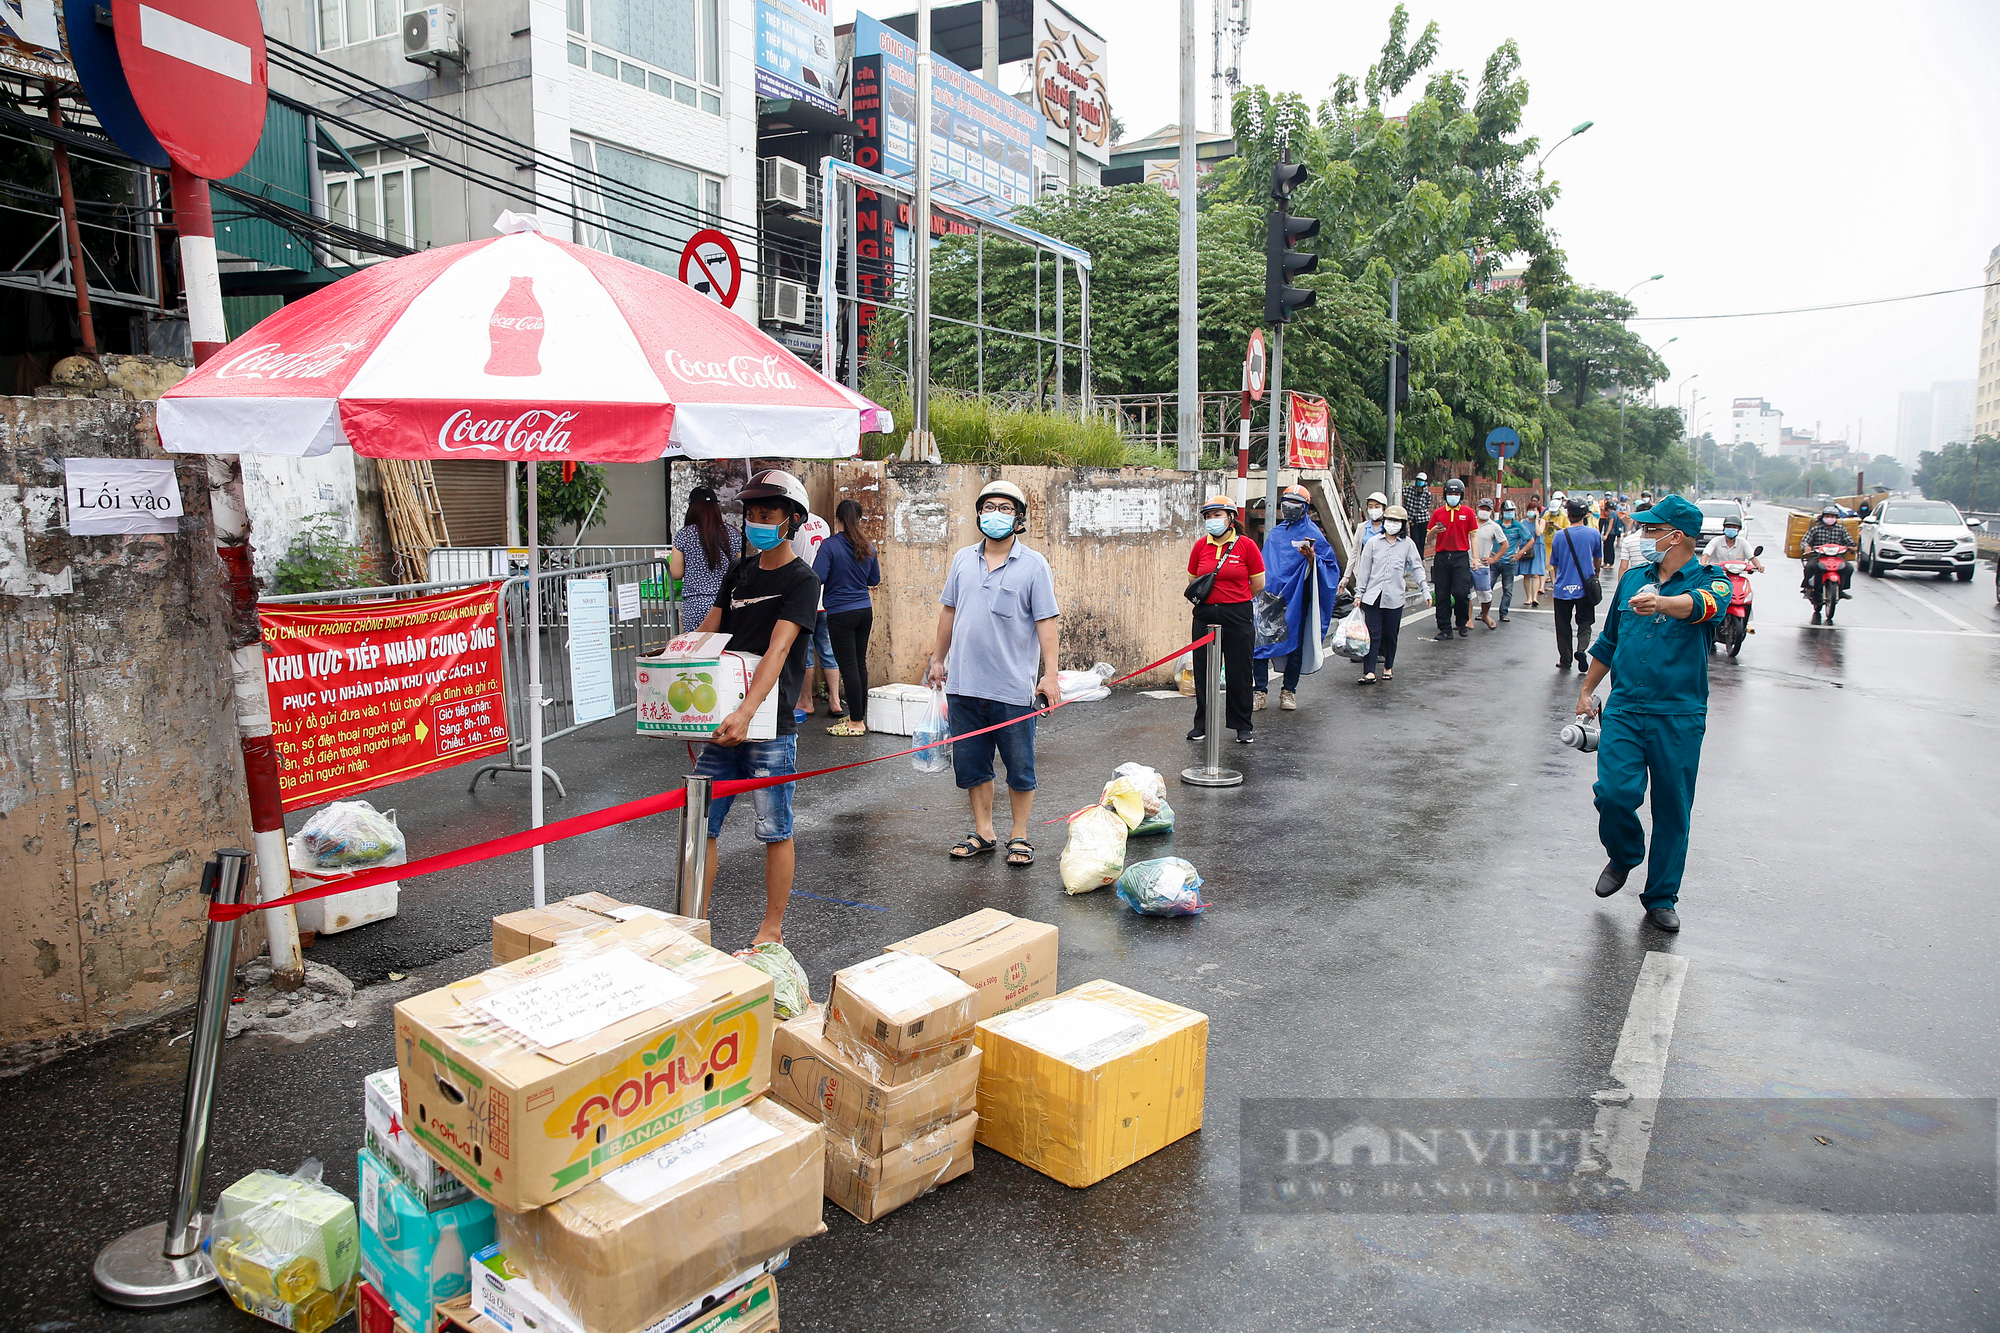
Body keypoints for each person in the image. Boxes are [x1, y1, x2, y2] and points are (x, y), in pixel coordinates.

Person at [1577, 495, 1735, 933]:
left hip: (1677, 714)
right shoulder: (1631, 581)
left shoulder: (1713, 579)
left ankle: (1661, 895)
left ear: (1676, 536)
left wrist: (1665, 603)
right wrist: (1588, 690)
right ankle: (1625, 853)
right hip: (1625, 707)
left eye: (1650, 530)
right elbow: (1609, 641)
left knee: (1673, 808)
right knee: (1613, 793)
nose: (1643, 537)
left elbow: (1707, 605)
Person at [691, 469, 820, 947]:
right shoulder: (739, 573)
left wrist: (747, 712)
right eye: (750, 513)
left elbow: (779, 650)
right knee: (700, 822)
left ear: (792, 521)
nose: (755, 521)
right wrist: (673, 665)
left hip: (768, 725)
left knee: (775, 829)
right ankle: (694, 919)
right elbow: (709, 633)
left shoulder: (802, 581)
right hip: (722, 722)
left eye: (767, 514)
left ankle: (772, 928)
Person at [930, 480, 1061, 868]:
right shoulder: (961, 560)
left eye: (1005, 508)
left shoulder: (1034, 565)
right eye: (989, 507)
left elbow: (1047, 624)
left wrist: (1049, 676)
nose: (995, 515)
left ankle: (1018, 835)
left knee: (1019, 766)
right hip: (964, 684)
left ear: (1018, 519)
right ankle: (984, 831)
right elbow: (949, 612)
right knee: (972, 763)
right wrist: (939, 659)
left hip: (1012, 688)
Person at [1186, 493, 1265, 743]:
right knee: (1203, 671)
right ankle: (1203, 723)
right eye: (1208, 516)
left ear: (1230, 518)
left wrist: (1234, 598)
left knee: (1239, 670)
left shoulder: (1246, 545)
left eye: (1217, 515)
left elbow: (1258, 583)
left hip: (1237, 614)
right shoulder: (1201, 546)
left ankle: (1242, 725)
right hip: (1205, 614)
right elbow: (1193, 580)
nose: (1212, 520)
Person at [1254, 484, 1341, 711]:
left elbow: (1330, 567)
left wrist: (1313, 558)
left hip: (1297, 599)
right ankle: (1259, 691)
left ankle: (1288, 691)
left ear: (1305, 508)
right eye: (1287, 503)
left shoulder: (1313, 535)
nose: (1290, 508)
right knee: (1260, 645)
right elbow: (1265, 565)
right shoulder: (1275, 534)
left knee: (1295, 647)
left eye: (1296, 504)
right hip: (1270, 598)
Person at [814, 498, 882, 737]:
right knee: (859, 663)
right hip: (864, 610)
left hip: (840, 612)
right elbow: (874, 580)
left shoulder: (829, 546)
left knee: (849, 667)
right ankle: (859, 715)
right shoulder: (868, 546)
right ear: (859, 519)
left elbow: (817, 577)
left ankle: (856, 722)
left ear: (838, 519)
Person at [1349, 503, 1429, 683]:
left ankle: (1388, 667)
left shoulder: (1407, 545)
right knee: (1372, 634)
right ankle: (1369, 671)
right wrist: (1359, 594)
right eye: (1389, 520)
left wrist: (1425, 590)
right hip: (1372, 596)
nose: (1392, 524)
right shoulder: (1373, 543)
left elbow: (1416, 568)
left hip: (1394, 598)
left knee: (1390, 635)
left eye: (1396, 521)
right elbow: (1364, 571)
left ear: (1403, 524)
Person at [670, 485, 740, 633]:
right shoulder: (732, 534)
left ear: (692, 509)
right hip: (726, 603)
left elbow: (676, 573)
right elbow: (739, 569)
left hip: (695, 605)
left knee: (697, 652)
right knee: (724, 651)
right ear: (716, 508)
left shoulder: (684, 535)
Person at [791, 507, 839, 724]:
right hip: (826, 597)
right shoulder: (823, 523)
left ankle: (806, 701)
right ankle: (835, 701)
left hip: (804, 597)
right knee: (829, 651)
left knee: (806, 653)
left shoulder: (794, 527)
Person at [1550, 498, 1604, 672]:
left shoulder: (1559, 535)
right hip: (1585, 587)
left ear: (1568, 514)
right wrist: (1595, 575)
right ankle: (1581, 649)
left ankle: (1565, 660)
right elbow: (1598, 559)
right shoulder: (1594, 534)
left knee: (1563, 625)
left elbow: (1555, 563)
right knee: (1585, 622)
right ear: (1585, 514)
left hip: (1562, 588)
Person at [1428, 478, 1476, 640]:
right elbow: (1429, 537)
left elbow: (1473, 536)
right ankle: (1444, 627)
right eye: (1450, 493)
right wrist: (1435, 531)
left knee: (1461, 593)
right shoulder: (1438, 513)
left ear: (1461, 495)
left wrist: (1475, 558)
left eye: (1456, 494)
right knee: (1442, 594)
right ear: (1445, 495)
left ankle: (1462, 622)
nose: (1453, 496)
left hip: (1460, 556)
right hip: (1442, 556)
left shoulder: (1468, 513)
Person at [1798, 503, 1855, 623]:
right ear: (1823, 517)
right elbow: (1805, 541)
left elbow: (1850, 541)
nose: (1830, 518)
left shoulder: (1841, 529)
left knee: (1848, 568)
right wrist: (1807, 547)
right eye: (1828, 516)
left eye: (1833, 516)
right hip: (1818, 556)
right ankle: (1808, 588)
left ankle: (1842, 589)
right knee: (1810, 566)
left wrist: (1852, 547)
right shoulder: (1815, 529)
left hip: (1837, 556)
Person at [1470, 498, 1512, 630]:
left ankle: (1485, 615)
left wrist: (1494, 559)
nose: (1484, 511)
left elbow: (1505, 545)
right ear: (1477, 507)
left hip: (1482, 564)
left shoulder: (1494, 526)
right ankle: (1468, 619)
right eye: (1482, 508)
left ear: (1492, 511)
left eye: (1487, 509)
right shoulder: (1469, 523)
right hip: (1465, 562)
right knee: (1464, 593)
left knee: (1485, 594)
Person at [1497, 499, 1531, 621]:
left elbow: (1530, 540)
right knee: (1487, 588)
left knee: (1508, 589)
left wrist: (1520, 553)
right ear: (1502, 512)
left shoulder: (1518, 526)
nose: (1509, 513)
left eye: (1511, 510)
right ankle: (1483, 612)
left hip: (1509, 562)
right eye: (1507, 510)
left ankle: (1503, 613)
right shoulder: (1496, 525)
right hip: (1495, 561)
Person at [1402, 471, 1435, 557]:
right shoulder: (1410, 490)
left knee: (1422, 539)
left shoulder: (1427, 493)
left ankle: (1421, 557)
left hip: (1423, 519)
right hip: (1413, 519)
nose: (1420, 482)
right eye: (1418, 480)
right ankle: (1416, 556)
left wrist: (1422, 509)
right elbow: (1399, 491)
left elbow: (1428, 504)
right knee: (1414, 539)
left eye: (1422, 481)